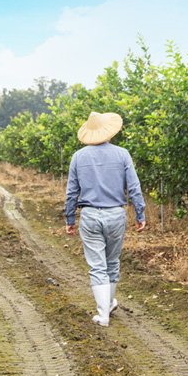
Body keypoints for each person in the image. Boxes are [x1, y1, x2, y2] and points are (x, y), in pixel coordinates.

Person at [64, 111, 146, 327]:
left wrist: (70, 218)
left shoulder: (78, 157)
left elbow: (72, 192)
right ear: (109, 132)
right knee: (112, 261)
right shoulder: (122, 154)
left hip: (90, 215)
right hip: (116, 214)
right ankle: (107, 306)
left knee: (97, 265)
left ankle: (104, 313)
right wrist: (140, 213)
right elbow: (134, 187)